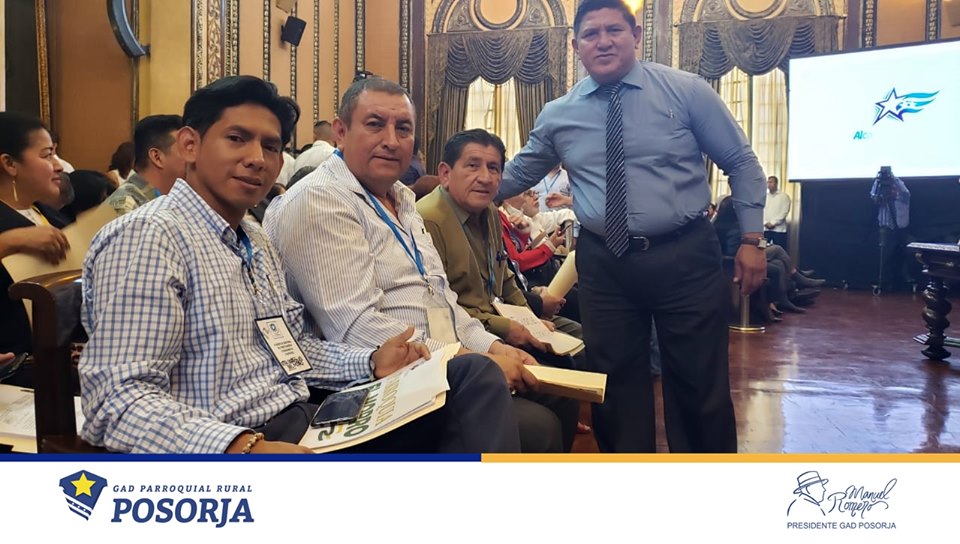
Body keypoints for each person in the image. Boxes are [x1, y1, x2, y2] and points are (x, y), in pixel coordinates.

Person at [79, 75, 521, 454]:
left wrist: (371, 362)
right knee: (478, 385)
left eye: (271, 146)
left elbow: (291, 349)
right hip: (232, 438)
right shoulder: (149, 237)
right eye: (237, 139)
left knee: (476, 380)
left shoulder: (251, 237)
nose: (257, 158)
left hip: (305, 414)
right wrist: (242, 447)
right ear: (189, 144)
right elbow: (118, 400)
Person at [498, 0, 768, 453]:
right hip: (605, 263)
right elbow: (518, 173)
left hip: (684, 255)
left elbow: (741, 162)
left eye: (614, 30)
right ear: (576, 45)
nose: (603, 41)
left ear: (636, 35)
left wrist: (752, 238)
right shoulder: (559, 114)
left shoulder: (686, 91)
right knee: (615, 385)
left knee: (699, 382)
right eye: (591, 34)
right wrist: (454, 187)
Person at [264, 77, 564, 453]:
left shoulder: (402, 199)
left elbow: (444, 301)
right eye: (375, 124)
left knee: (551, 388)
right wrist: (471, 358)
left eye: (403, 128)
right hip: (377, 378)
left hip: (441, 363)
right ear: (341, 131)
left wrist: (493, 346)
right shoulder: (321, 199)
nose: (391, 140)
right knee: (536, 424)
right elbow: (357, 328)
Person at [418, 129, 582, 452]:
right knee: (549, 405)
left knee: (568, 370)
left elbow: (504, 274)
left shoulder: (490, 213)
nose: (485, 177)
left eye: (493, 168)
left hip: (496, 323)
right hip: (464, 337)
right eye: (473, 165)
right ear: (445, 173)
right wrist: (510, 328)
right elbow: (443, 308)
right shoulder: (429, 220)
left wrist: (530, 320)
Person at [0, 112, 69, 357]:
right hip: (15, 362)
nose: (59, 165)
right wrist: (9, 241)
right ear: (10, 164)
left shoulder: (48, 214)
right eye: (47, 155)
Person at [106, 115, 185, 216]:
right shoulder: (125, 204)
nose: (192, 155)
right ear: (157, 157)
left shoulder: (175, 198)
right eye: (185, 148)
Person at [763, 175, 790, 248]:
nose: (769, 184)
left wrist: (773, 223)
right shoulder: (764, 197)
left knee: (779, 250)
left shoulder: (784, 196)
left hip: (779, 230)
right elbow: (761, 211)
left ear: (776, 183)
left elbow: (784, 212)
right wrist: (765, 222)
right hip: (765, 229)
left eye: (771, 182)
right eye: (768, 182)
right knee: (762, 249)